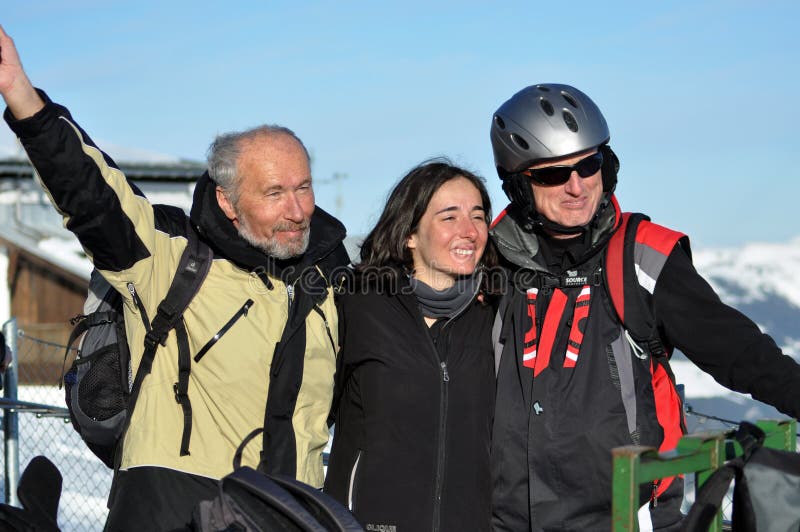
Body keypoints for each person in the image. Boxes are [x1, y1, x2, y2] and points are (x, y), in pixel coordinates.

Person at [0, 26, 349, 530]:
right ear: (228, 201)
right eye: (274, 193)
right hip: (171, 505)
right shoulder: (171, 258)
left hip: (289, 510)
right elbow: (91, 192)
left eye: (304, 187)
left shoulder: (332, 282)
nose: (298, 210)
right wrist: (21, 95)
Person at [487, 83, 800, 531]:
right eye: (553, 175)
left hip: (627, 518)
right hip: (504, 520)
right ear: (518, 184)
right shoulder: (489, 264)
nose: (576, 187)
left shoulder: (641, 256)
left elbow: (738, 351)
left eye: (589, 165)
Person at [324, 160, 497, 531]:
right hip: (368, 524)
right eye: (449, 218)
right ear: (410, 234)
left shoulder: (497, 316)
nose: (469, 231)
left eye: (478, 216)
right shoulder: (359, 307)